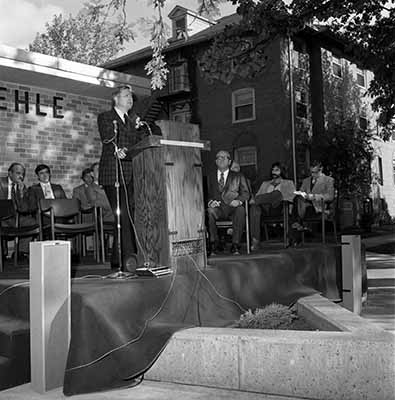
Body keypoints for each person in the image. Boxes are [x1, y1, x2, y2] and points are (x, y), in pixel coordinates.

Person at [97, 85, 143, 271]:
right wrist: (116, 149)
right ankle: (129, 260)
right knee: (123, 214)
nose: (130, 99)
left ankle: (117, 260)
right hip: (112, 173)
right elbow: (108, 138)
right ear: (116, 99)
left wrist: (140, 130)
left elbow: (137, 144)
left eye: (131, 96)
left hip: (130, 174)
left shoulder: (132, 122)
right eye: (125, 96)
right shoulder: (106, 117)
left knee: (127, 215)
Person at [206, 150, 250, 255]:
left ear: (229, 161)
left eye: (223, 157)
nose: (220, 159)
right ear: (215, 161)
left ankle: (235, 245)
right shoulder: (210, 176)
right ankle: (214, 244)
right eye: (218, 157)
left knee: (241, 209)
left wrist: (238, 201)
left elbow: (246, 193)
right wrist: (210, 202)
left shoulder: (238, 176)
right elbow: (207, 194)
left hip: (232, 208)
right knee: (210, 211)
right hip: (218, 209)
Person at [249, 162, 296, 250]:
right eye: (273, 170)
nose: (274, 172)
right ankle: (255, 240)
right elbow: (259, 195)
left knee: (277, 194)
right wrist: (264, 199)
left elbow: (291, 196)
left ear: (282, 171)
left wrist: (276, 197)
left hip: (279, 206)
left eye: (277, 170)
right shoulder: (265, 183)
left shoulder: (288, 183)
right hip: (266, 208)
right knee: (254, 208)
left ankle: (255, 201)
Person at [0, 163, 35, 259]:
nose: (21, 176)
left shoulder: (22, 188)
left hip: (15, 217)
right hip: (2, 217)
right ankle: (2, 253)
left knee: (32, 223)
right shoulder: (1, 182)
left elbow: (24, 209)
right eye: (18, 173)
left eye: (23, 174)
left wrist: (21, 193)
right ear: (10, 173)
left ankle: (20, 252)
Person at [293, 160, 335, 229]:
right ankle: (300, 225)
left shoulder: (328, 180)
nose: (312, 175)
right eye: (311, 172)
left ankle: (299, 224)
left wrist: (314, 197)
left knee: (301, 208)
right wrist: (301, 194)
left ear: (321, 169)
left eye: (315, 172)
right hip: (305, 205)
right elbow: (301, 191)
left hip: (318, 206)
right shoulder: (306, 180)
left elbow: (330, 196)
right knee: (297, 200)